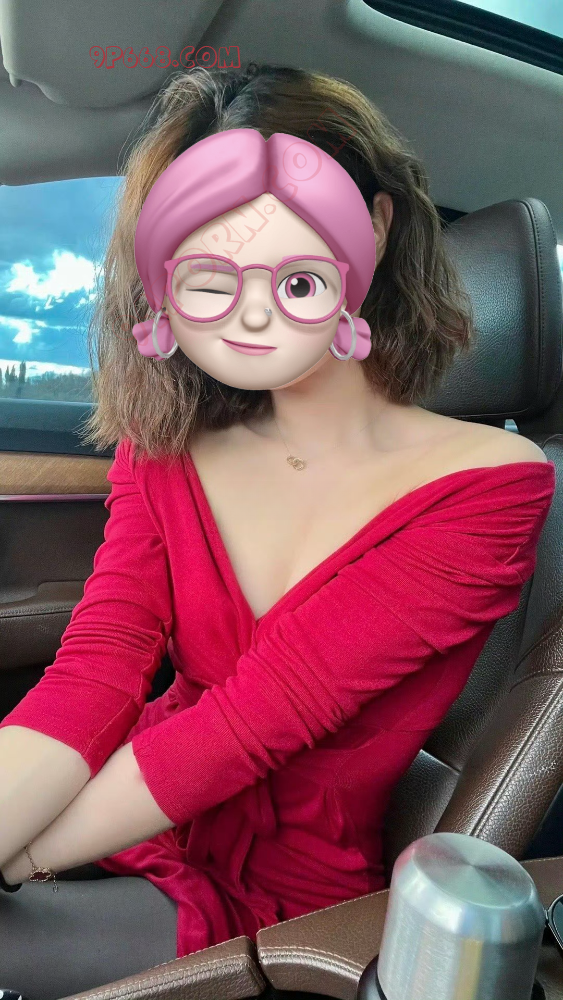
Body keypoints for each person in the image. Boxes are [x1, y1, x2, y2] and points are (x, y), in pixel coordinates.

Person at [0, 63, 556, 1000]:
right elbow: (98, 665)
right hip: (130, 813)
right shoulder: (165, 445)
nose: (252, 312)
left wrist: (26, 855)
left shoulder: (491, 485)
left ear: (371, 228)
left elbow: (252, 723)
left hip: (282, 900)